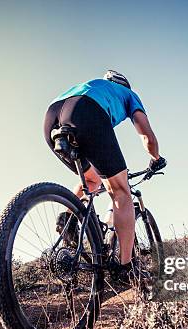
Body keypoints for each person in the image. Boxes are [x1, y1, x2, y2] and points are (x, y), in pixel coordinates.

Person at [44, 70, 166, 275]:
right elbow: (148, 138)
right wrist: (156, 158)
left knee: (91, 179)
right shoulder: (128, 94)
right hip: (86, 111)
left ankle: (68, 217)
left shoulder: (94, 85)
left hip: (51, 116)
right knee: (121, 191)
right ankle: (125, 267)